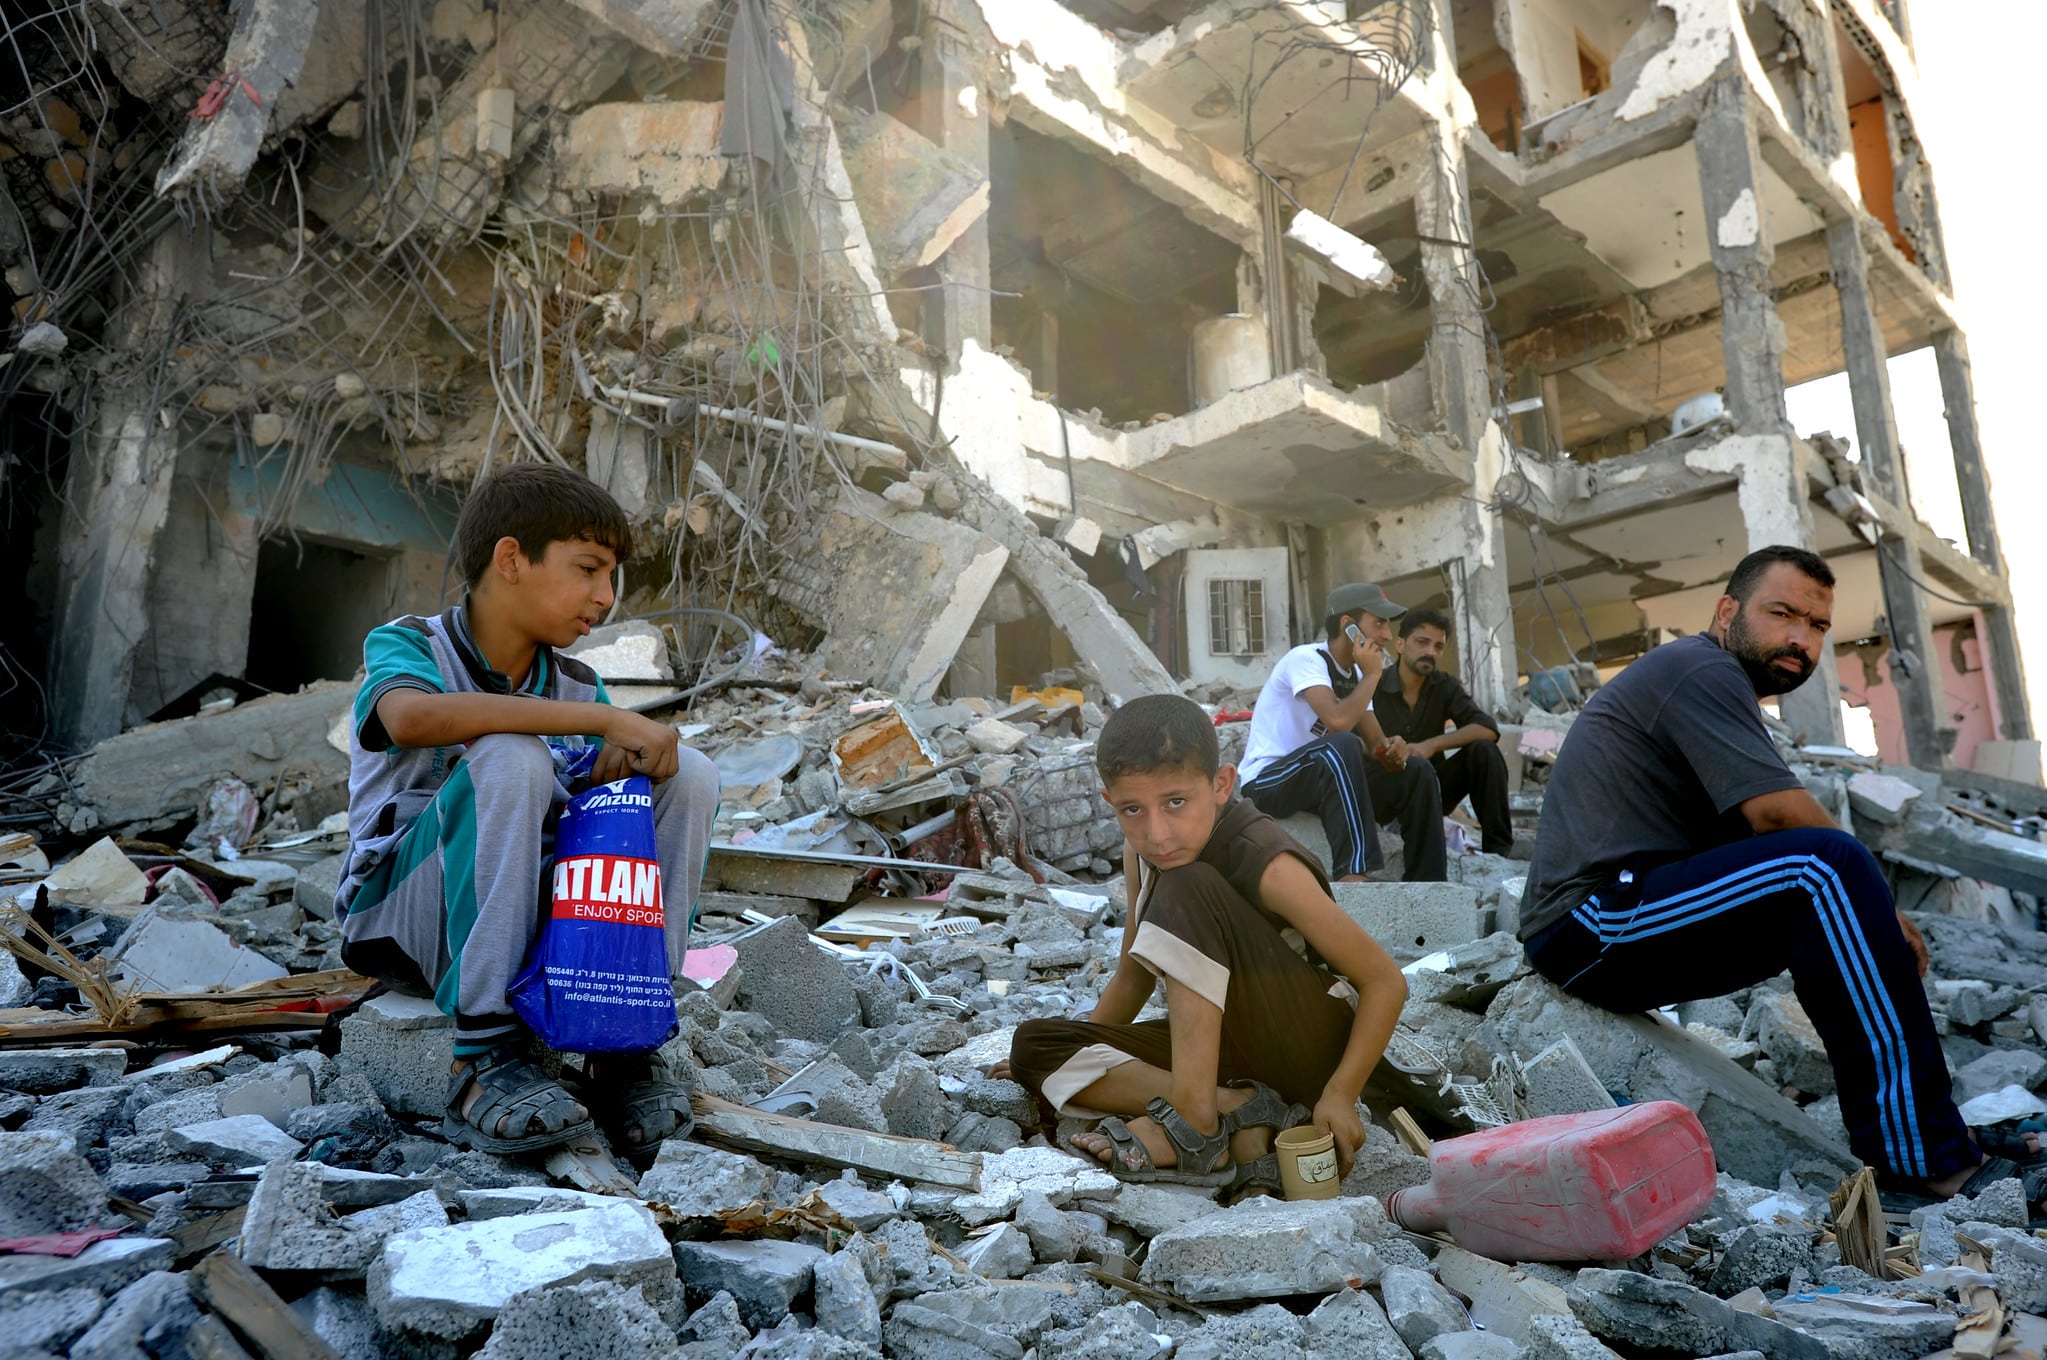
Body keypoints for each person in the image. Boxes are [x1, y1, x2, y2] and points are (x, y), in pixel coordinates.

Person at [1521, 545, 2041, 1209]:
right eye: (1782, 613)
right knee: (1830, 866)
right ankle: (1928, 1160)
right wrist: (1876, 902)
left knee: (1831, 894)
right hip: (1589, 923)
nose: (1800, 637)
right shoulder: (1698, 669)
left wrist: (1869, 919)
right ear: (1726, 611)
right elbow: (1776, 815)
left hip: (1636, 908)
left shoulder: (1720, 693)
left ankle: (1923, 1140)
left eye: (1818, 626)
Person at [336, 464, 720, 1159]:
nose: (604, 597)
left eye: (611, 579)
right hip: (401, 914)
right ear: (510, 559)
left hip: (520, 921)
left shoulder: (575, 683)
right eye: (587, 569)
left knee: (686, 772)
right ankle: (480, 1059)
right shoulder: (410, 643)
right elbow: (413, 717)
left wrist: (614, 770)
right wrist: (597, 718)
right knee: (511, 755)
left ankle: (625, 1041)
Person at [999, 694, 1407, 1198]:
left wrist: (1341, 1094)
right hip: (1220, 1051)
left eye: (1176, 802)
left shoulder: (1266, 862)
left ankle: (1194, 1121)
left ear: (1220, 784)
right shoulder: (1144, 852)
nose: (1157, 832)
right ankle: (1241, 1110)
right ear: (1111, 804)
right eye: (1133, 810)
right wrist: (1077, 1049)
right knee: (1034, 1045)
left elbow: (1384, 981)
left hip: (1303, 1042)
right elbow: (1133, 974)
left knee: (1186, 885)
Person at [1237, 582, 1447, 882]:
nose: (1387, 634)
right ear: (1349, 625)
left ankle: (1430, 882)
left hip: (1317, 779)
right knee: (1341, 744)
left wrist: (1393, 750)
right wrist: (1374, 674)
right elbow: (1337, 722)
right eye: (1379, 623)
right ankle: (1353, 871)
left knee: (1417, 770)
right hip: (1269, 781)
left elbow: (1376, 746)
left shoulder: (1359, 673)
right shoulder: (1307, 659)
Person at [1374, 606, 1516, 856]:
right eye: (1422, 642)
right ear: (1400, 643)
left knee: (1484, 751)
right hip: (1386, 793)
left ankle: (1498, 853)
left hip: (1433, 790)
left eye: (1438, 647)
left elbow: (1486, 728)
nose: (1430, 652)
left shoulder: (1444, 686)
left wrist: (1432, 745)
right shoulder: (1375, 686)